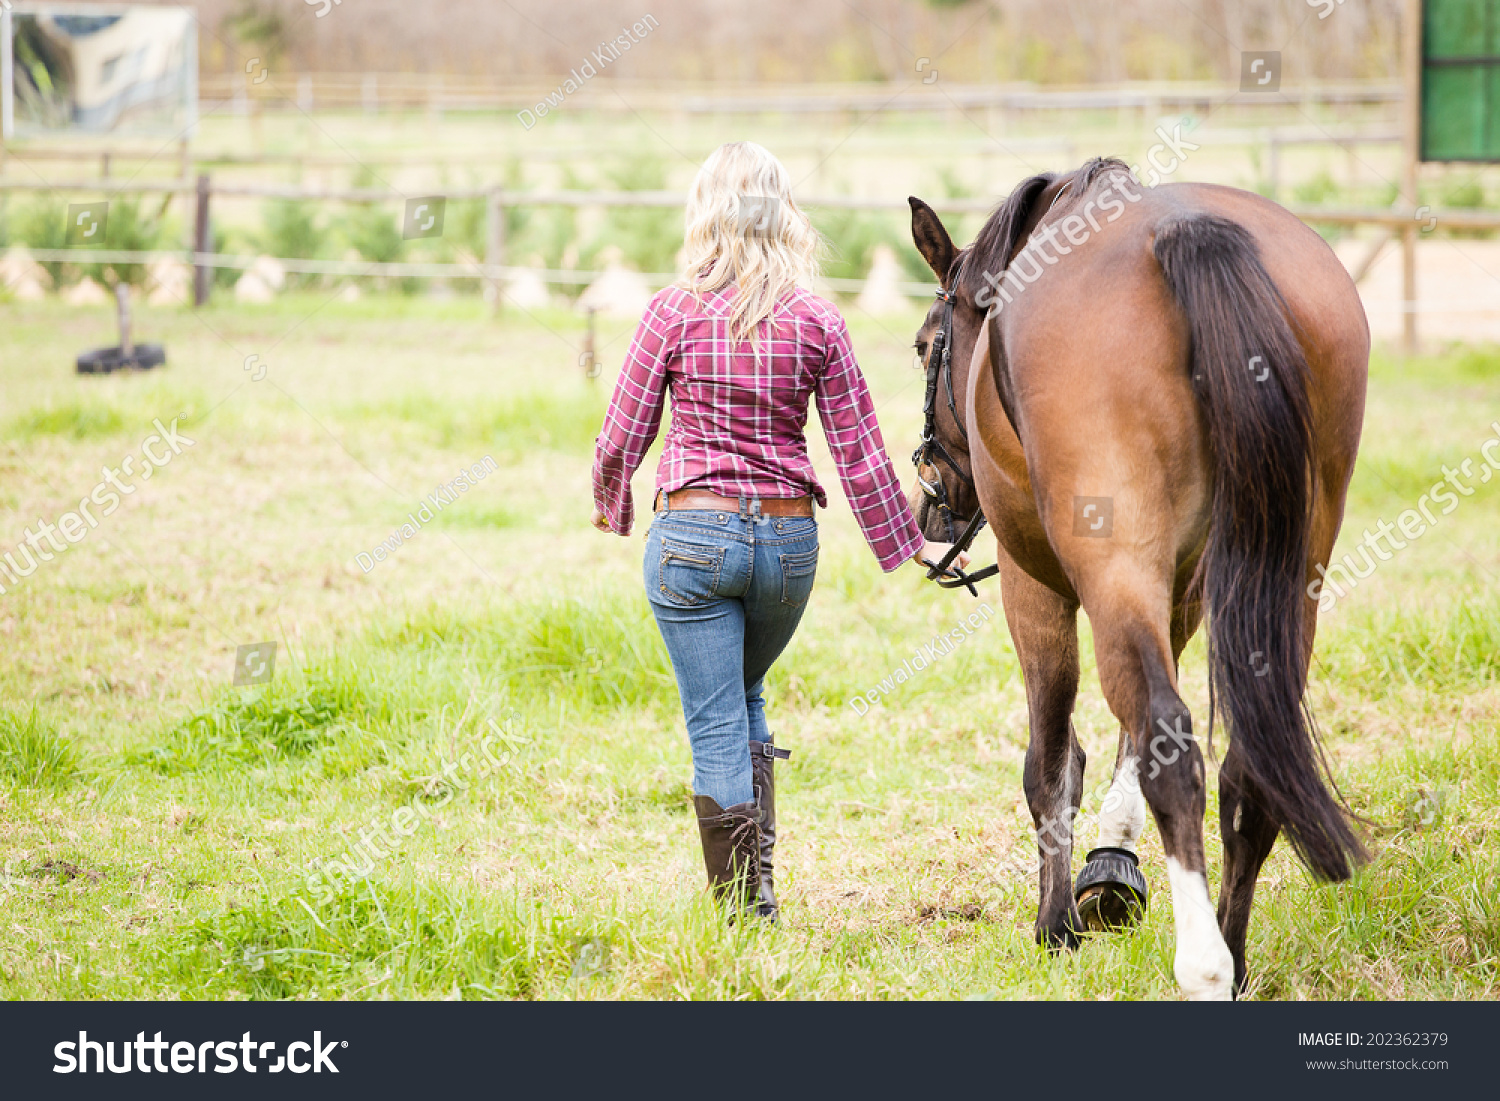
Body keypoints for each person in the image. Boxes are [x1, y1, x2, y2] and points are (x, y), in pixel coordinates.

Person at [590, 141, 966, 922]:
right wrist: (909, 545)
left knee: (717, 716)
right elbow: (859, 449)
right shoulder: (817, 319)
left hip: (692, 545)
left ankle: (741, 913)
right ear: (784, 217)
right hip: (788, 552)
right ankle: (758, 884)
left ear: (706, 215)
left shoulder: (671, 310)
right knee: (745, 691)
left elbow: (622, 433)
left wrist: (612, 502)